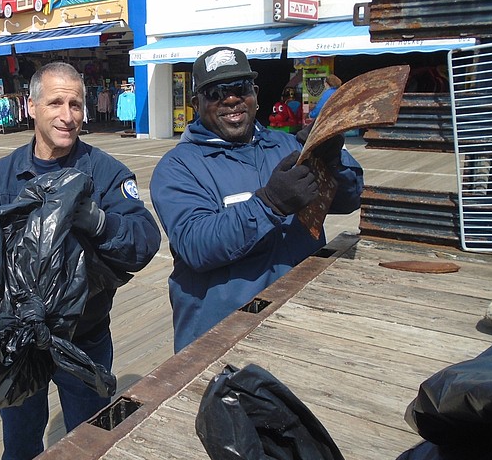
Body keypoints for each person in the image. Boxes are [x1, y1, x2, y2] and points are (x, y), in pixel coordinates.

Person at [0, 61, 161, 460]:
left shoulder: (105, 173)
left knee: (91, 444)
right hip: (17, 347)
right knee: (20, 448)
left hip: (84, 338)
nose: (67, 115)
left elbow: (145, 243)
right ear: (31, 106)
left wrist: (100, 221)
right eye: (55, 102)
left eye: (76, 104)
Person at [150, 47, 363, 353]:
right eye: (215, 93)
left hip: (304, 318)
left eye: (240, 88)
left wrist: (332, 163)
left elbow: (348, 200)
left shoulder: (288, 145)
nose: (231, 99)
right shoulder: (177, 168)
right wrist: (270, 203)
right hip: (223, 335)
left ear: (256, 94)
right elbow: (197, 245)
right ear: (196, 104)